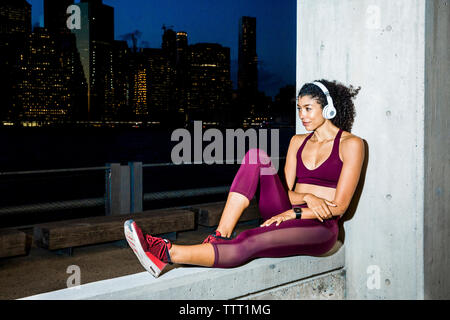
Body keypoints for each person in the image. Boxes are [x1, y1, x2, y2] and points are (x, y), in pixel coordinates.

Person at [124, 79, 365, 278]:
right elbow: (287, 191)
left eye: (308, 108)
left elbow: (339, 207)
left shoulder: (351, 144)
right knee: (255, 156)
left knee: (250, 239)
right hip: (284, 209)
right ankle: (220, 235)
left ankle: (165, 253)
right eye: (299, 109)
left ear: (328, 109)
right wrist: (307, 197)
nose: (302, 115)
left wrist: (297, 212)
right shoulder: (297, 142)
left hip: (320, 227)